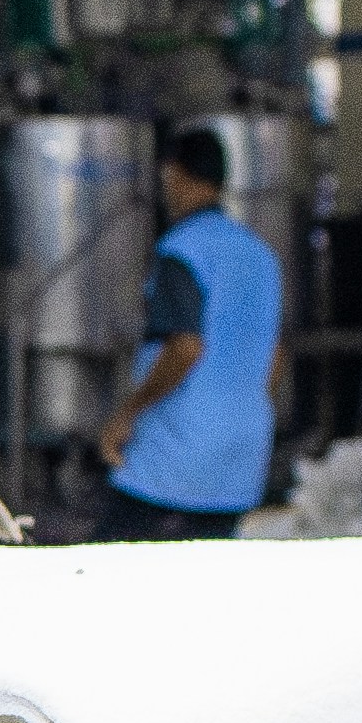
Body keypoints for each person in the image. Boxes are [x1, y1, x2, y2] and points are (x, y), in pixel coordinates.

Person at [95, 123, 283, 539]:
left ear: (175, 174)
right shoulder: (261, 255)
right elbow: (275, 354)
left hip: (176, 461)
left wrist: (127, 412)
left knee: (109, 567)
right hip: (242, 458)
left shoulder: (182, 249)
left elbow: (184, 347)